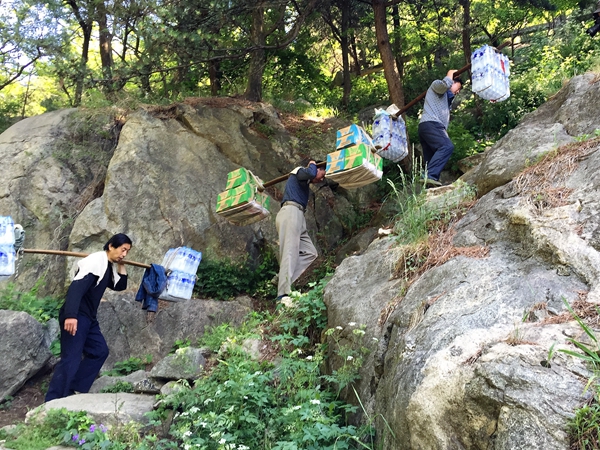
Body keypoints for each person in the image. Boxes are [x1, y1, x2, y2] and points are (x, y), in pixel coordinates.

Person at [45, 233, 132, 402]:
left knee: (99, 351)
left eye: (127, 251)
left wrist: (122, 264)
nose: (124, 254)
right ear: (110, 246)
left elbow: (120, 285)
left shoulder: (108, 266)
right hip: (76, 314)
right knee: (71, 358)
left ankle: (74, 388)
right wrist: (71, 316)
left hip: (89, 319)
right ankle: (53, 400)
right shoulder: (95, 262)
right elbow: (76, 287)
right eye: (122, 250)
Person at [275, 160, 326, 303]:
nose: (321, 179)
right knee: (289, 252)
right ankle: (283, 295)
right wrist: (312, 164)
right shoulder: (299, 171)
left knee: (310, 253)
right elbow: (310, 172)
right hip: (290, 211)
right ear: (317, 168)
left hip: (298, 215)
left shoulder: (304, 180)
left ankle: (282, 278)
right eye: (322, 174)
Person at [418, 69, 463, 186]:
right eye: (458, 88)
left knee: (432, 159)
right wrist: (450, 73)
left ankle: (428, 189)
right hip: (431, 124)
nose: (458, 92)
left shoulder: (445, 100)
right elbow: (445, 85)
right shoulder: (436, 85)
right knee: (447, 147)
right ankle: (431, 176)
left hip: (427, 127)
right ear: (452, 82)